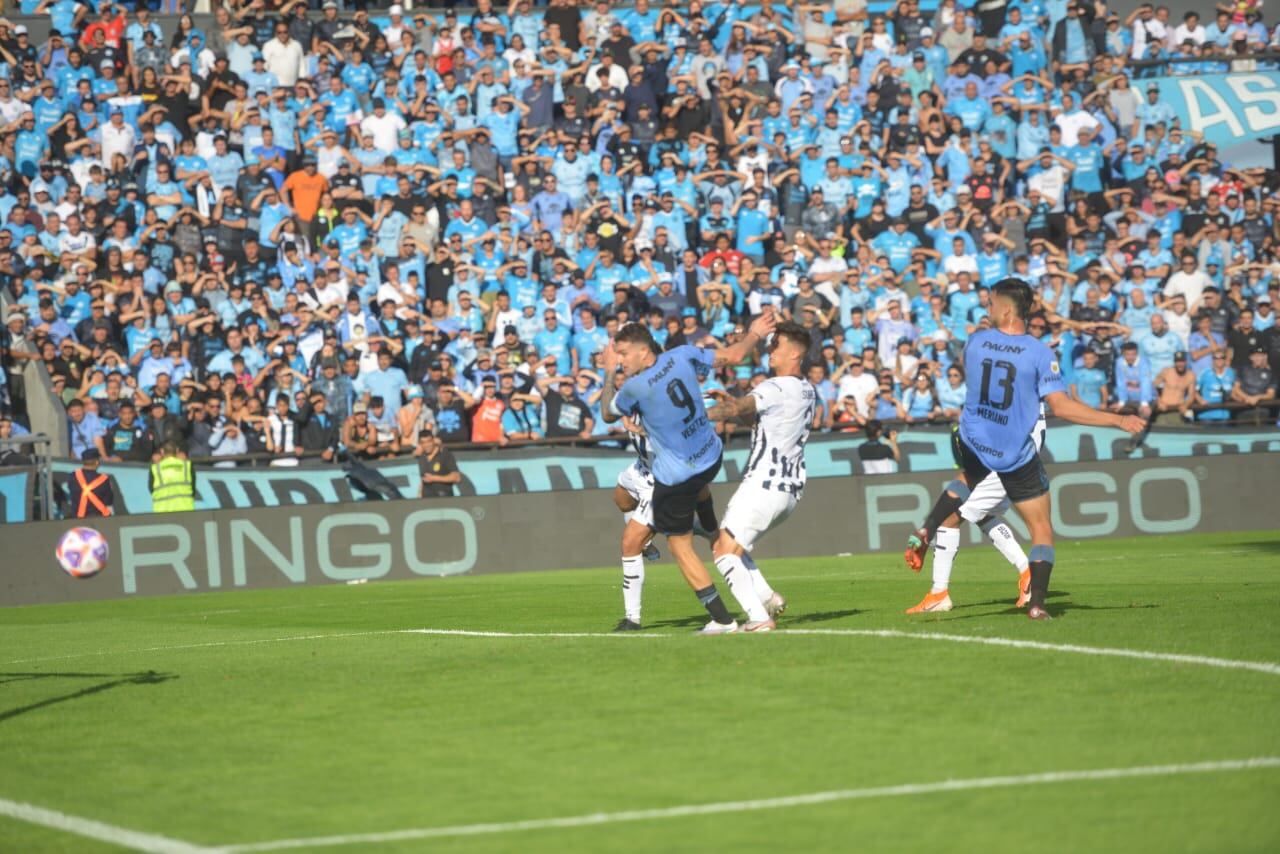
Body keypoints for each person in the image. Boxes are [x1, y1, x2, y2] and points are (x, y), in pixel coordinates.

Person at [903, 279, 1144, 621]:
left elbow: (999, 358)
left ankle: (931, 546)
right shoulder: (1039, 354)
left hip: (974, 441)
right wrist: (1118, 421)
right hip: (1014, 454)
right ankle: (1037, 603)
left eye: (990, 304)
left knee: (965, 490)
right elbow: (1060, 407)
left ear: (1004, 309)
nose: (986, 311)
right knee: (1041, 530)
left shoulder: (976, 342)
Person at [601, 308, 776, 634]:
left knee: (679, 546)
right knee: (699, 526)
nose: (621, 360)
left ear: (643, 350)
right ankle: (759, 586)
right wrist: (754, 332)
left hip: (676, 476)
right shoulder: (683, 355)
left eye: (623, 354)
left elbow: (607, 413)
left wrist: (609, 373)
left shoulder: (635, 389)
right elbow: (736, 355)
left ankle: (723, 619)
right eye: (618, 356)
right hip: (710, 457)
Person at [704, 321, 818, 631]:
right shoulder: (808, 390)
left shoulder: (774, 386)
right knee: (730, 543)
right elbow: (763, 423)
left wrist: (686, 418)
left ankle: (758, 618)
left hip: (763, 484)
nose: (769, 349)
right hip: (789, 490)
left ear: (794, 353)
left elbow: (735, 411)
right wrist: (734, 403)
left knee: (723, 552)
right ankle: (768, 598)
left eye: (775, 344)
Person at [149, 442, 196, 513]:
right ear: (177, 451)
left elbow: (151, 489)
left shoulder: (155, 468)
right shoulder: (187, 466)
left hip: (162, 511)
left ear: (162, 452)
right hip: (185, 510)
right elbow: (193, 489)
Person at [68, 449, 114, 518]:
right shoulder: (104, 480)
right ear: (97, 462)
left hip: (77, 520)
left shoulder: (73, 476)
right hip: (98, 520)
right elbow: (108, 501)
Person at [419, 431, 461, 498]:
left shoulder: (445, 454)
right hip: (426, 500)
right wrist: (419, 495)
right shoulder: (422, 457)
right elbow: (423, 479)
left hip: (443, 498)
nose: (426, 445)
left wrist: (434, 478)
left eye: (429, 441)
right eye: (423, 442)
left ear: (434, 441)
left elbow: (457, 477)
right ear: (420, 444)